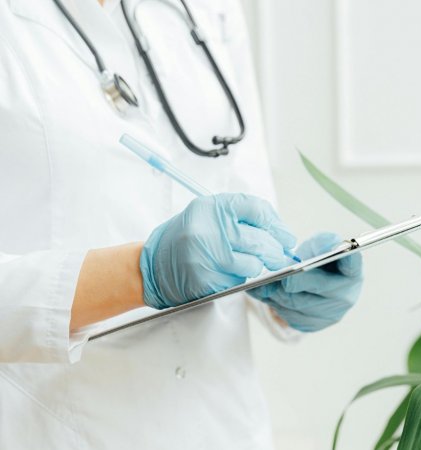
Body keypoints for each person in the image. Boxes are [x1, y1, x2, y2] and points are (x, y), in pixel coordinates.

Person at [0, 0, 363, 448]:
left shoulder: (212, 9)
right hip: (58, 427)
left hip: (225, 424)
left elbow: (247, 202)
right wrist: (143, 273)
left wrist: (286, 280)